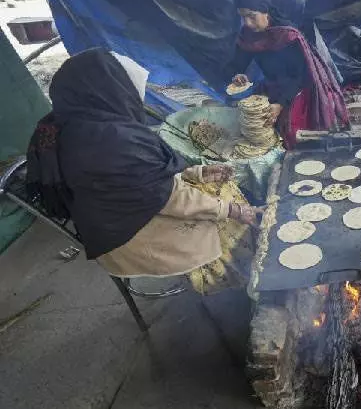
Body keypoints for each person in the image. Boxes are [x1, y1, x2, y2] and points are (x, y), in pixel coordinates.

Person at [26, 48, 260, 293]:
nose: (133, 98)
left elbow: (131, 182)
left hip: (112, 218)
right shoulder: (113, 140)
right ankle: (241, 284)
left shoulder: (68, 122)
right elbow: (169, 198)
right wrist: (231, 210)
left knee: (215, 192)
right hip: (129, 239)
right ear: (109, 89)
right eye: (126, 88)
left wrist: (196, 173)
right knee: (226, 218)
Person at [227, 0, 350, 149]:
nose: (247, 23)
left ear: (265, 11)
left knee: (293, 136)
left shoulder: (287, 35)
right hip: (272, 88)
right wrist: (238, 74)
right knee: (259, 132)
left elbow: (302, 75)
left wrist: (281, 104)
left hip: (298, 90)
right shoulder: (248, 34)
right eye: (243, 17)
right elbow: (237, 62)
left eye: (252, 15)